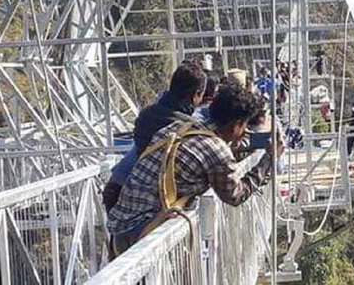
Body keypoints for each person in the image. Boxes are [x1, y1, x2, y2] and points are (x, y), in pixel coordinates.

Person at [107, 84, 278, 255]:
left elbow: (212, 162)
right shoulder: (217, 150)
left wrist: (245, 148)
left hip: (119, 231)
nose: (245, 132)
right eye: (244, 126)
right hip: (145, 236)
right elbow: (236, 195)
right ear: (235, 125)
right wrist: (268, 160)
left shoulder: (179, 128)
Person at [102, 61, 207, 213]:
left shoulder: (147, 115)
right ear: (196, 95)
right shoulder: (186, 127)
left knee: (121, 233)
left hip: (118, 188)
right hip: (147, 200)